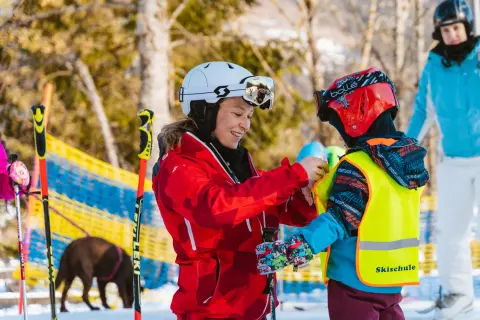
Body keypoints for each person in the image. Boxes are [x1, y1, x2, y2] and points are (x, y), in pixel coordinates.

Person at [151, 61, 328, 319]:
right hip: (211, 311)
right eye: (237, 113)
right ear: (205, 110)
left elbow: (285, 212)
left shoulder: (236, 166)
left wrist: (305, 195)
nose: (245, 125)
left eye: (249, 116)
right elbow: (216, 209)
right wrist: (294, 175)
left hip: (253, 308)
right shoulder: (178, 167)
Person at [256, 68, 429, 320]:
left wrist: (295, 249)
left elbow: (339, 219)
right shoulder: (408, 163)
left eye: (339, 123)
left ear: (357, 113)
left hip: (353, 283)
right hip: (392, 281)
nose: (341, 134)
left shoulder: (359, 165)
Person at [407, 0, 480, 317]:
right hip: (453, 160)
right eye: (446, 29)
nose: (451, 34)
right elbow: (424, 110)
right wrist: (405, 147)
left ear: (468, 27)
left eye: (456, 28)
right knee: (450, 230)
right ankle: (458, 294)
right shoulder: (435, 64)